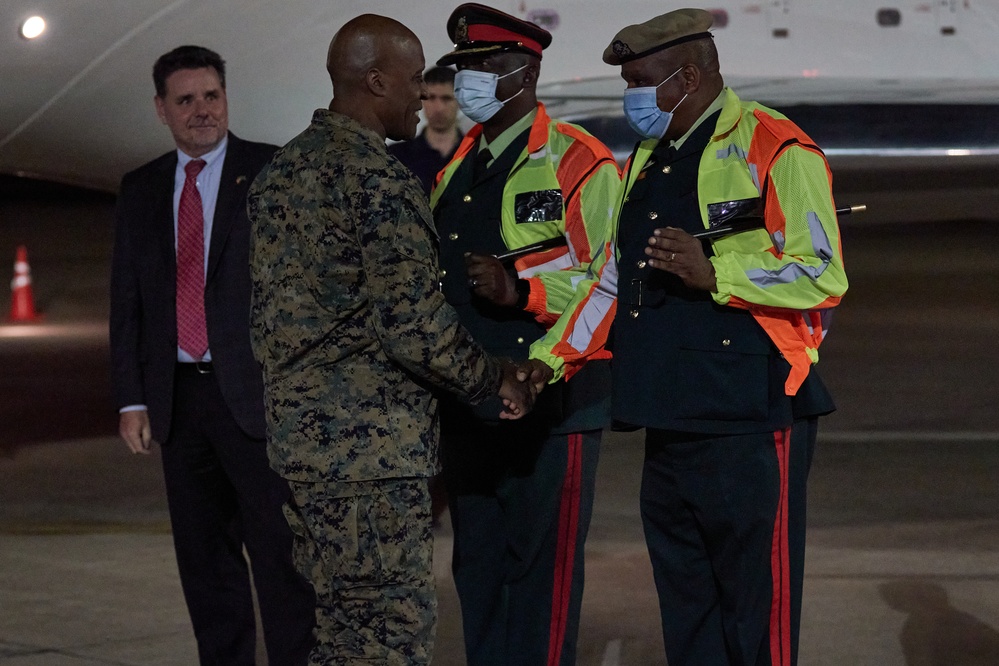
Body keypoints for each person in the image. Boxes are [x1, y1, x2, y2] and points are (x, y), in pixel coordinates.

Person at [530, 8, 849, 665]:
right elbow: (611, 280)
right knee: (686, 604)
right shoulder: (648, 157)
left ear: (690, 74)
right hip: (666, 414)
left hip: (753, 414)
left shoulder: (775, 144)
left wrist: (718, 273)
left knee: (756, 611)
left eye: (642, 81)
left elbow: (823, 272)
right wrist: (546, 361)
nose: (631, 98)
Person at [245, 14, 537, 665]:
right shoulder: (375, 182)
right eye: (411, 81)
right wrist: (496, 378)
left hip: (302, 451)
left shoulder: (281, 173)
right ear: (375, 81)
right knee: (385, 637)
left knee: (338, 631)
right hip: (370, 459)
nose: (420, 96)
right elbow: (415, 328)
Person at [108, 45, 315, 665]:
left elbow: (306, 290)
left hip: (257, 400)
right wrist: (132, 398)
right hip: (178, 401)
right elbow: (127, 303)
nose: (202, 111)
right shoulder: (141, 188)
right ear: (161, 110)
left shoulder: (273, 170)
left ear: (227, 98)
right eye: (186, 100)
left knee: (281, 559)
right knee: (204, 563)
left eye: (212, 96)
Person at [429, 5, 621, 665]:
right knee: (476, 567)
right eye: (463, 70)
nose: (469, 82)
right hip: (470, 400)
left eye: (482, 67)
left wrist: (524, 293)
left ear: (525, 70)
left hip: (550, 401)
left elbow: (605, 283)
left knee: (540, 572)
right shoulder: (459, 163)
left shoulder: (578, 161)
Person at [388, 65, 463, 194]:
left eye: (446, 98)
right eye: (431, 98)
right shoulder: (397, 156)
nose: (438, 108)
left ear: (460, 101)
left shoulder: (475, 154)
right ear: (421, 100)